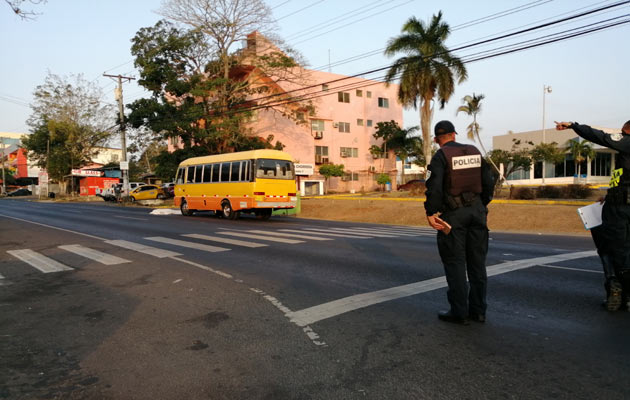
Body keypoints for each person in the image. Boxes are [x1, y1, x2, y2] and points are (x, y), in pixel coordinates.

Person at [425, 120, 496, 325]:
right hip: (477, 212)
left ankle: (459, 312)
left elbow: (434, 188)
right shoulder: (474, 151)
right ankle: (479, 311)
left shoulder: (441, 156)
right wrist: (481, 205)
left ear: (437, 139)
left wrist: (431, 212)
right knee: (477, 264)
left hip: (454, 215)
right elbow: (489, 181)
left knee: (455, 263)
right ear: (454, 135)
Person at [556, 120, 630, 311]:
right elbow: (621, 178)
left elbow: (600, 136)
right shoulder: (624, 158)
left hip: (620, 209)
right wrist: (610, 194)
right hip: (616, 201)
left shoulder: (627, 142)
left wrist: (575, 126)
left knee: (611, 248)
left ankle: (616, 288)